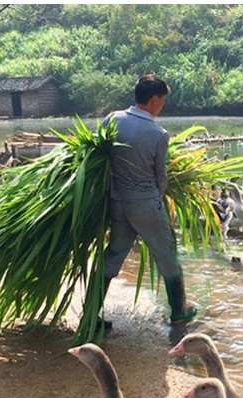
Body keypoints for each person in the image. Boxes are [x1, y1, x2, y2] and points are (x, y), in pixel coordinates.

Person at [98, 74, 197, 328]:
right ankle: (179, 312)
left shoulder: (112, 119)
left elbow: (100, 159)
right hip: (145, 205)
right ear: (154, 100)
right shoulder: (157, 133)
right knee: (167, 257)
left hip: (118, 203)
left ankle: (91, 317)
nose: (162, 106)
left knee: (113, 256)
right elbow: (160, 177)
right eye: (162, 101)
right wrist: (159, 194)